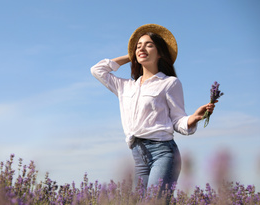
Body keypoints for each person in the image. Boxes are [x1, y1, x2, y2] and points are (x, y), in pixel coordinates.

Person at [90, 24, 216, 192]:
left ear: (160, 53)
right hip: (138, 154)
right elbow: (97, 70)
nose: (142, 48)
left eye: (149, 45)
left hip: (163, 153)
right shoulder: (126, 86)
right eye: (139, 46)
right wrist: (131, 56)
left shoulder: (169, 83)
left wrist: (193, 118)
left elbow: (178, 120)